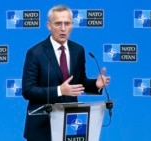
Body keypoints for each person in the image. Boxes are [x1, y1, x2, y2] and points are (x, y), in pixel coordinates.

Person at [22, 4, 110, 141]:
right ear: (49, 25)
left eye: (67, 24)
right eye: (58, 24)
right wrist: (59, 90)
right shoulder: (35, 53)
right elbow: (28, 90)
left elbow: (79, 82)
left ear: (72, 25)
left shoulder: (78, 50)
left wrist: (96, 84)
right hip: (42, 127)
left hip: (70, 125)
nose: (63, 28)